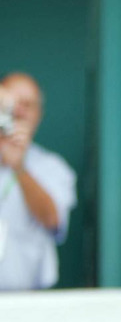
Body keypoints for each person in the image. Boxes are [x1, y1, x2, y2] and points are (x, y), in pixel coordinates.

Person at [0, 73, 76, 290]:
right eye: (12, 103)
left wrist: (19, 168)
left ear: (38, 115)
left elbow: (53, 220)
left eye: (28, 104)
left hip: (27, 300)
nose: (19, 111)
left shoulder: (52, 166)